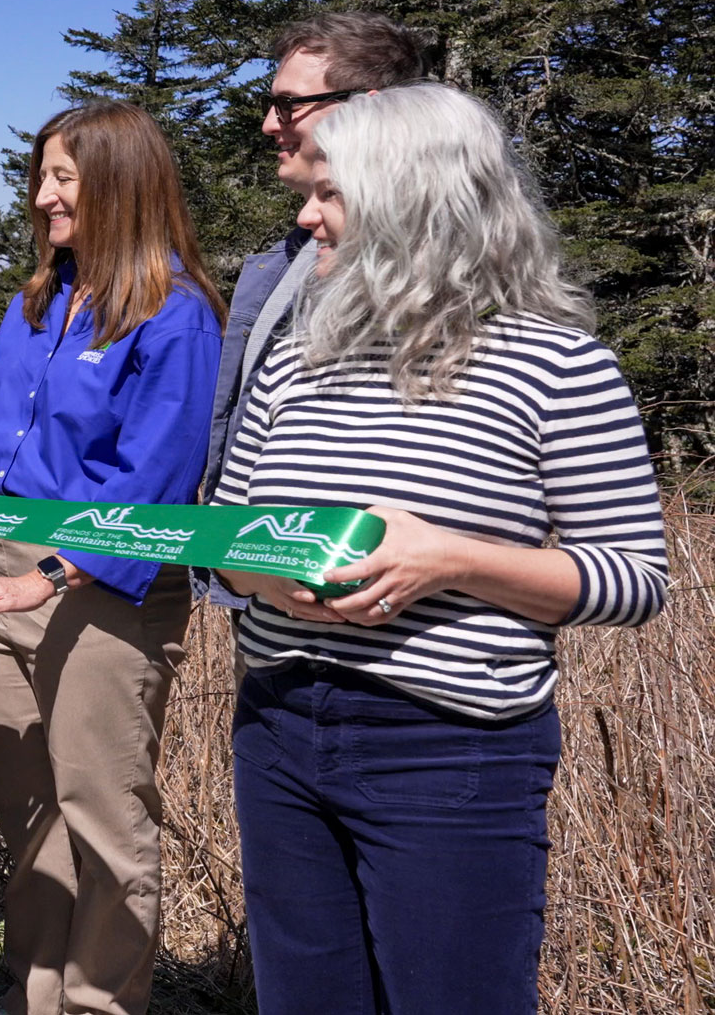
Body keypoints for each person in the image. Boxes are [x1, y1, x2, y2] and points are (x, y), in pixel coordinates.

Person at [212, 84, 668, 1015]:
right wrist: (267, 574)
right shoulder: (298, 357)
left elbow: (635, 581)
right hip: (278, 725)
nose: (306, 214)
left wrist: (447, 559)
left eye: (331, 194)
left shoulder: (557, 366)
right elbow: (223, 536)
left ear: (411, 199)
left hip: (448, 748)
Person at [0, 102, 224, 1015]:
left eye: (64, 179)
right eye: (41, 176)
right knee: (29, 817)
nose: (42, 197)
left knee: (105, 820)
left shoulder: (178, 316)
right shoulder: (38, 299)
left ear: (121, 187)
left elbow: (156, 482)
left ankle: (101, 1003)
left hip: (105, 587)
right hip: (4, 569)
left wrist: (45, 575)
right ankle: (32, 995)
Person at [201, 13, 425, 511]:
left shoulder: (439, 290)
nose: (268, 124)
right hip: (256, 571)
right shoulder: (283, 262)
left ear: (366, 111)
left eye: (288, 105)